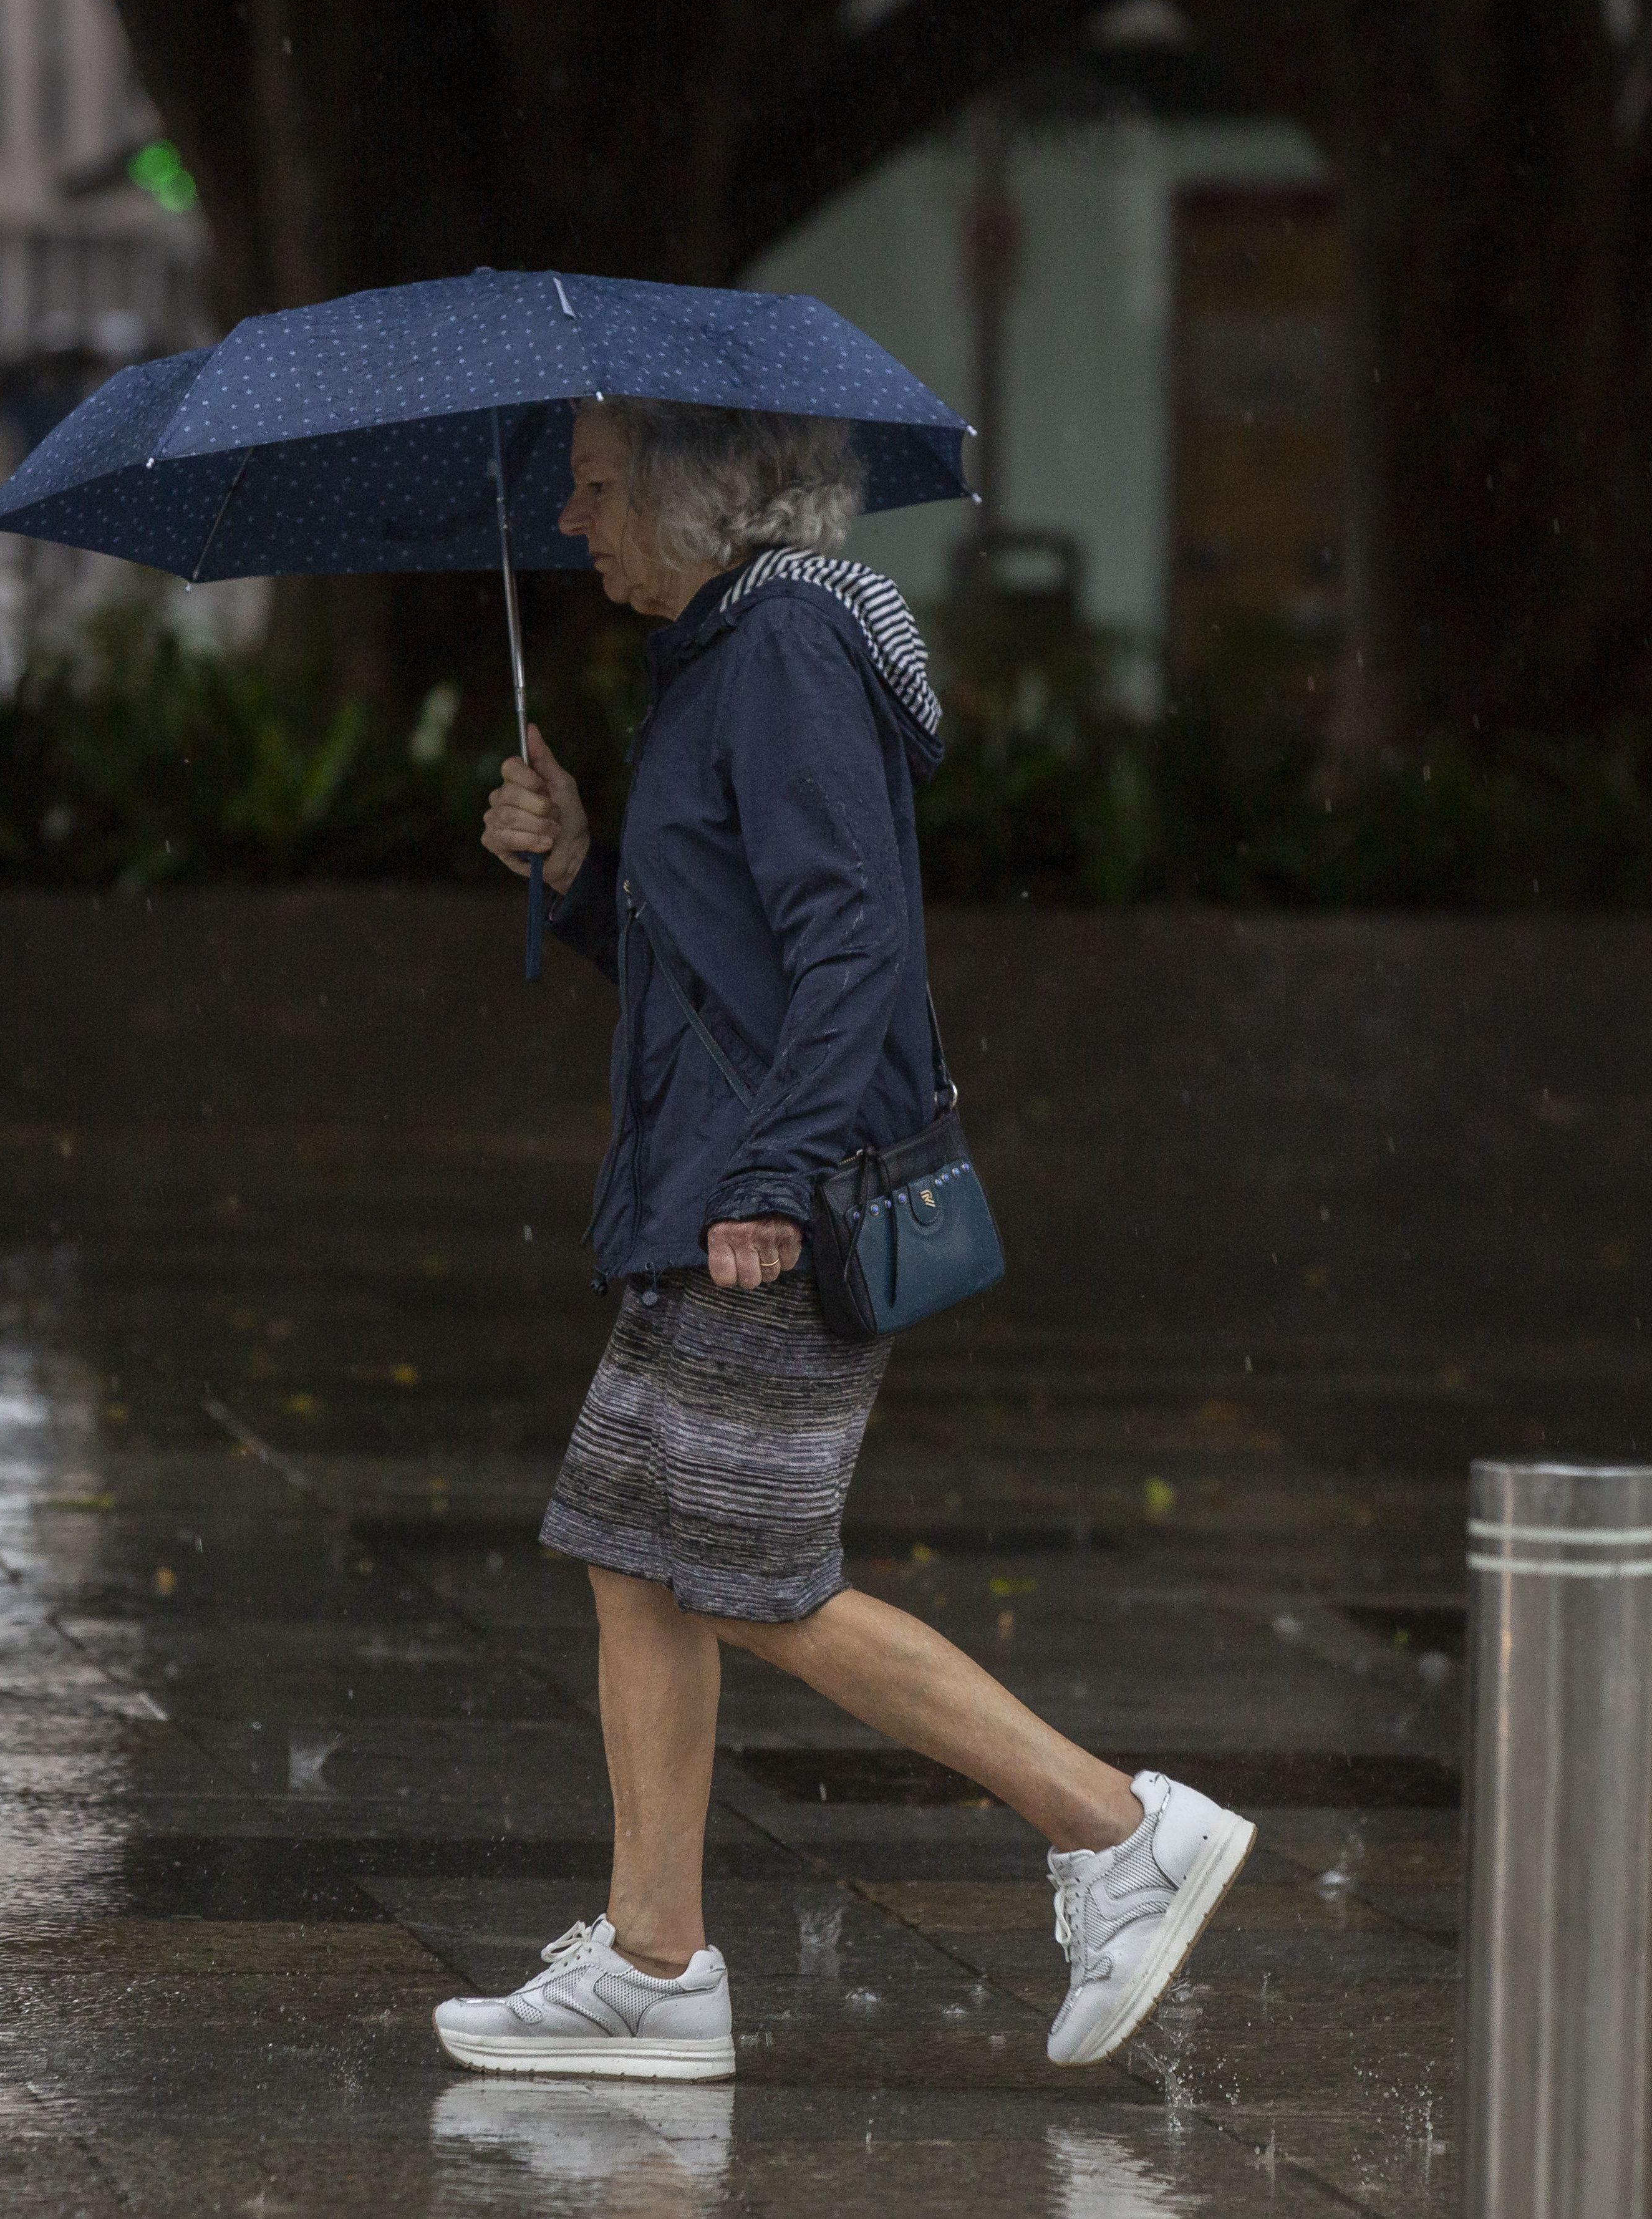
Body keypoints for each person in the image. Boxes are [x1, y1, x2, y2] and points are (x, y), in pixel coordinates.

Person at [440, 397, 1254, 2081]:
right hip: (704, 1187)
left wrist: (771, 1178)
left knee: (745, 1574)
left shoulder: (792, 643)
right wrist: (585, 864)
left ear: (692, 488)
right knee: (635, 1545)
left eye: (594, 488)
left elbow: (851, 944)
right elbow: (721, 961)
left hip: (765, 1201)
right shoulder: (724, 652)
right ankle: (655, 1957)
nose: (572, 521)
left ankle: (1114, 1827)